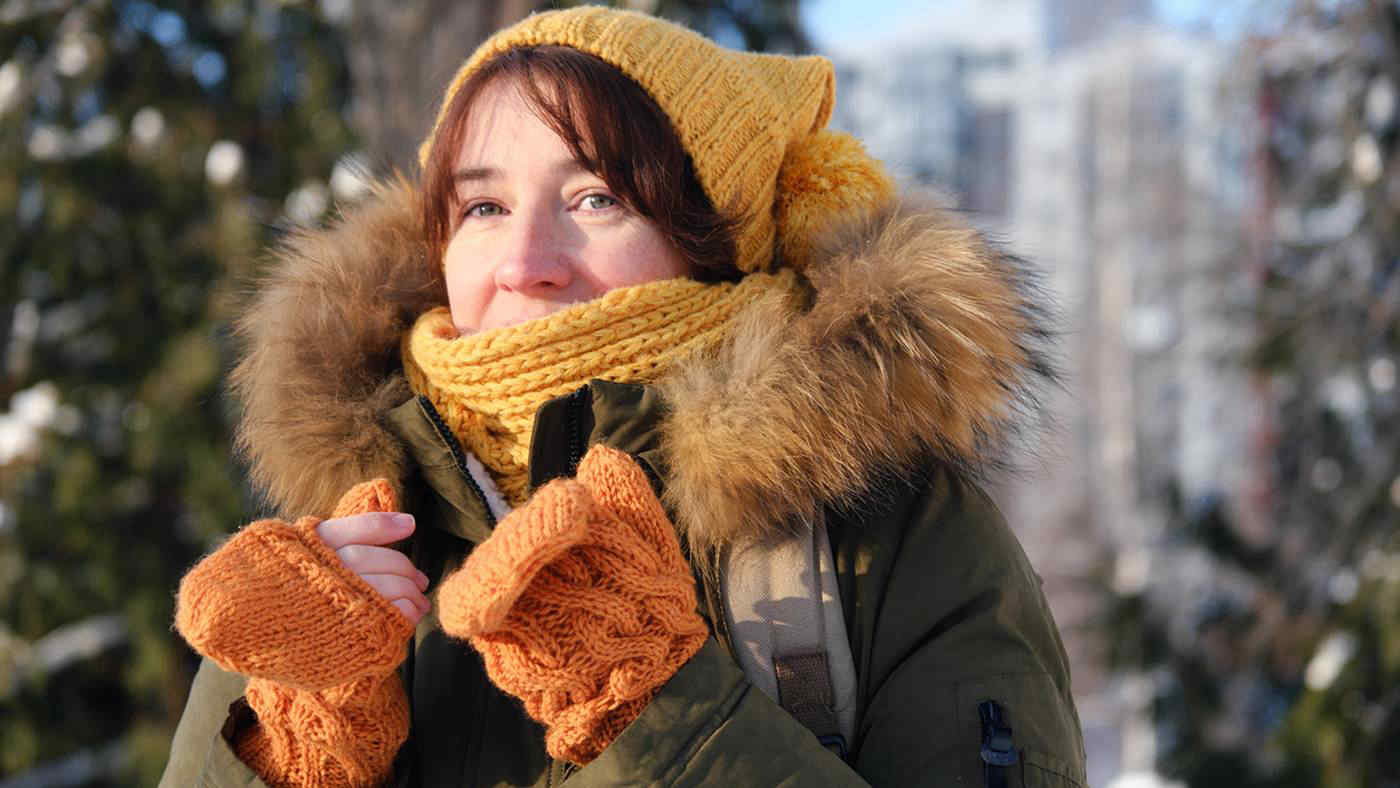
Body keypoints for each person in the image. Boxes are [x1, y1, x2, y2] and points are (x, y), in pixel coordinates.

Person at [161, 7, 1086, 787]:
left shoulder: (893, 535)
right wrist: (291, 750)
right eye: (482, 207)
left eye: (597, 198)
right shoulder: (347, 540)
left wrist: (651, 705)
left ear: (714, 239)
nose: (525, 264)